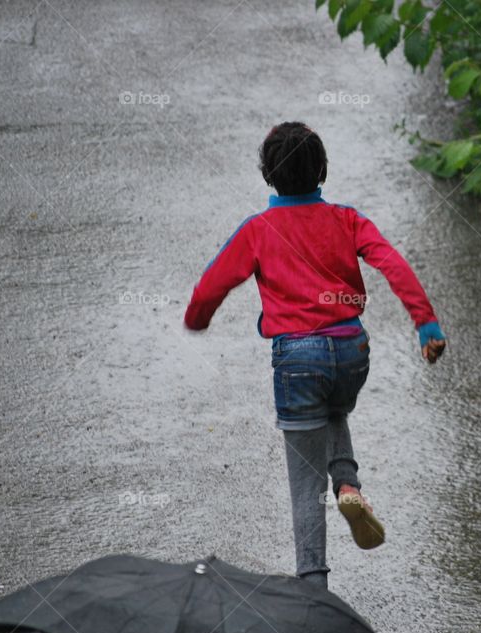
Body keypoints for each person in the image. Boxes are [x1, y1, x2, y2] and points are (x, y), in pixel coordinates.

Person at [184, 122, 446, 590]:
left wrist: (197, 319)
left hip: (296, 358)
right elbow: (392, 263)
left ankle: (313, 590)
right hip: (351, 351)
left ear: (268, 175)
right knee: (334, 407)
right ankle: (348, 485)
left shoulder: (258, 230)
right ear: (322, 169)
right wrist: (425, 323)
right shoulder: (347, 220)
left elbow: (213, 284)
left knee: (306, 485)